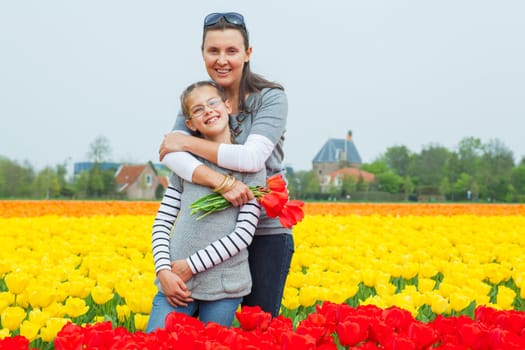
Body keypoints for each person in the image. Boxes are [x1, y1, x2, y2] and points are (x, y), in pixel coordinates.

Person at [158, 12, 293, 317]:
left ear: (247, 54)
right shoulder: (200, 98)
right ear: (202, 53)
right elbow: (172, 158)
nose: (222, 60)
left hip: (263, 230)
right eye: (213, 50)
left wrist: (186, 142)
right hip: (209, 236)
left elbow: (250, 158)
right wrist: (223, 183)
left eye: (231, 51)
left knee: (257, 329)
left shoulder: (270, 98)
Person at [146, 80, 265, 331]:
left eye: (213, 103)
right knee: (155, 342)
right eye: (198, 109)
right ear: (190, 124)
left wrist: (192, 265)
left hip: (224, 287)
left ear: (228, 106)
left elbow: (243, 235)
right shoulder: (185, 164)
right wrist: (163, 271)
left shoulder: (251, 165)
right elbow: (162, 221)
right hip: (177, 283)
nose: (208, 111)